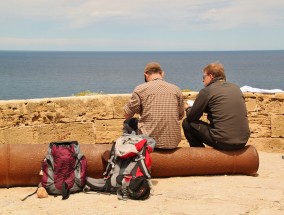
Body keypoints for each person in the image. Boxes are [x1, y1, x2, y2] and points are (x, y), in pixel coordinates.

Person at [182, 62, 250, 151]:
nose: (203, 80)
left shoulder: (207, 91)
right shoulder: (235, 88)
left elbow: (192, 117)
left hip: (223, 141)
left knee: (187, 123)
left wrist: (188, 108)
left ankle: (200, 157)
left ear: (211, 76)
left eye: (204, 77)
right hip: (243, 141)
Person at [124, 62, 184, 149]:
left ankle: (129, 155)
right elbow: (180, 115)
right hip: (173, 142)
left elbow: (127, 115)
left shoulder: (140, 89)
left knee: (128, 123)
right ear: (162, 73)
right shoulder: (176, 89)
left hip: (149, 142)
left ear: (146, 75)